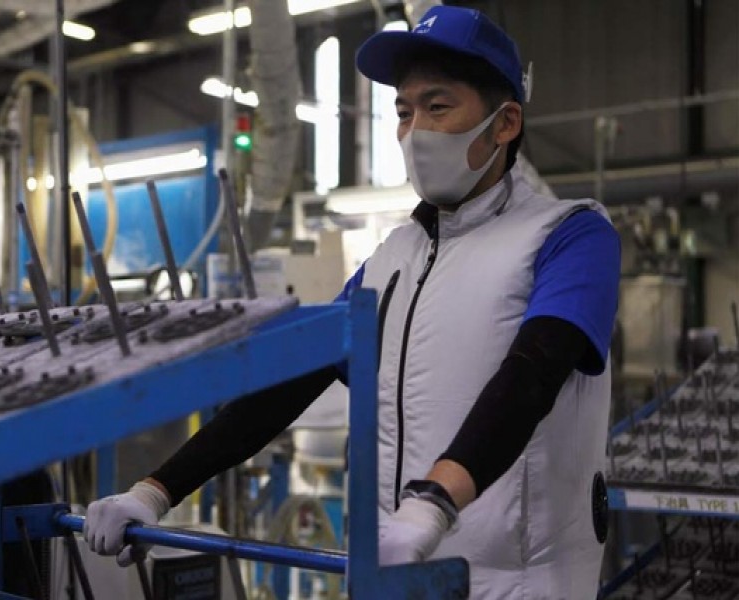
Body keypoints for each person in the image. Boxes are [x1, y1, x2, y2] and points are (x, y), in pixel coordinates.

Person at [84, 5, 621, 598]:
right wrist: (155, 492)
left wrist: (434, 502)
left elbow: (533, 374)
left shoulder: (571, 236)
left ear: (505, 122)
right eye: (404, 112)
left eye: (438, 107)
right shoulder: (394, 257)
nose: (416, 132)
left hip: (518, 584)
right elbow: (291, 384)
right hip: (401, 573)